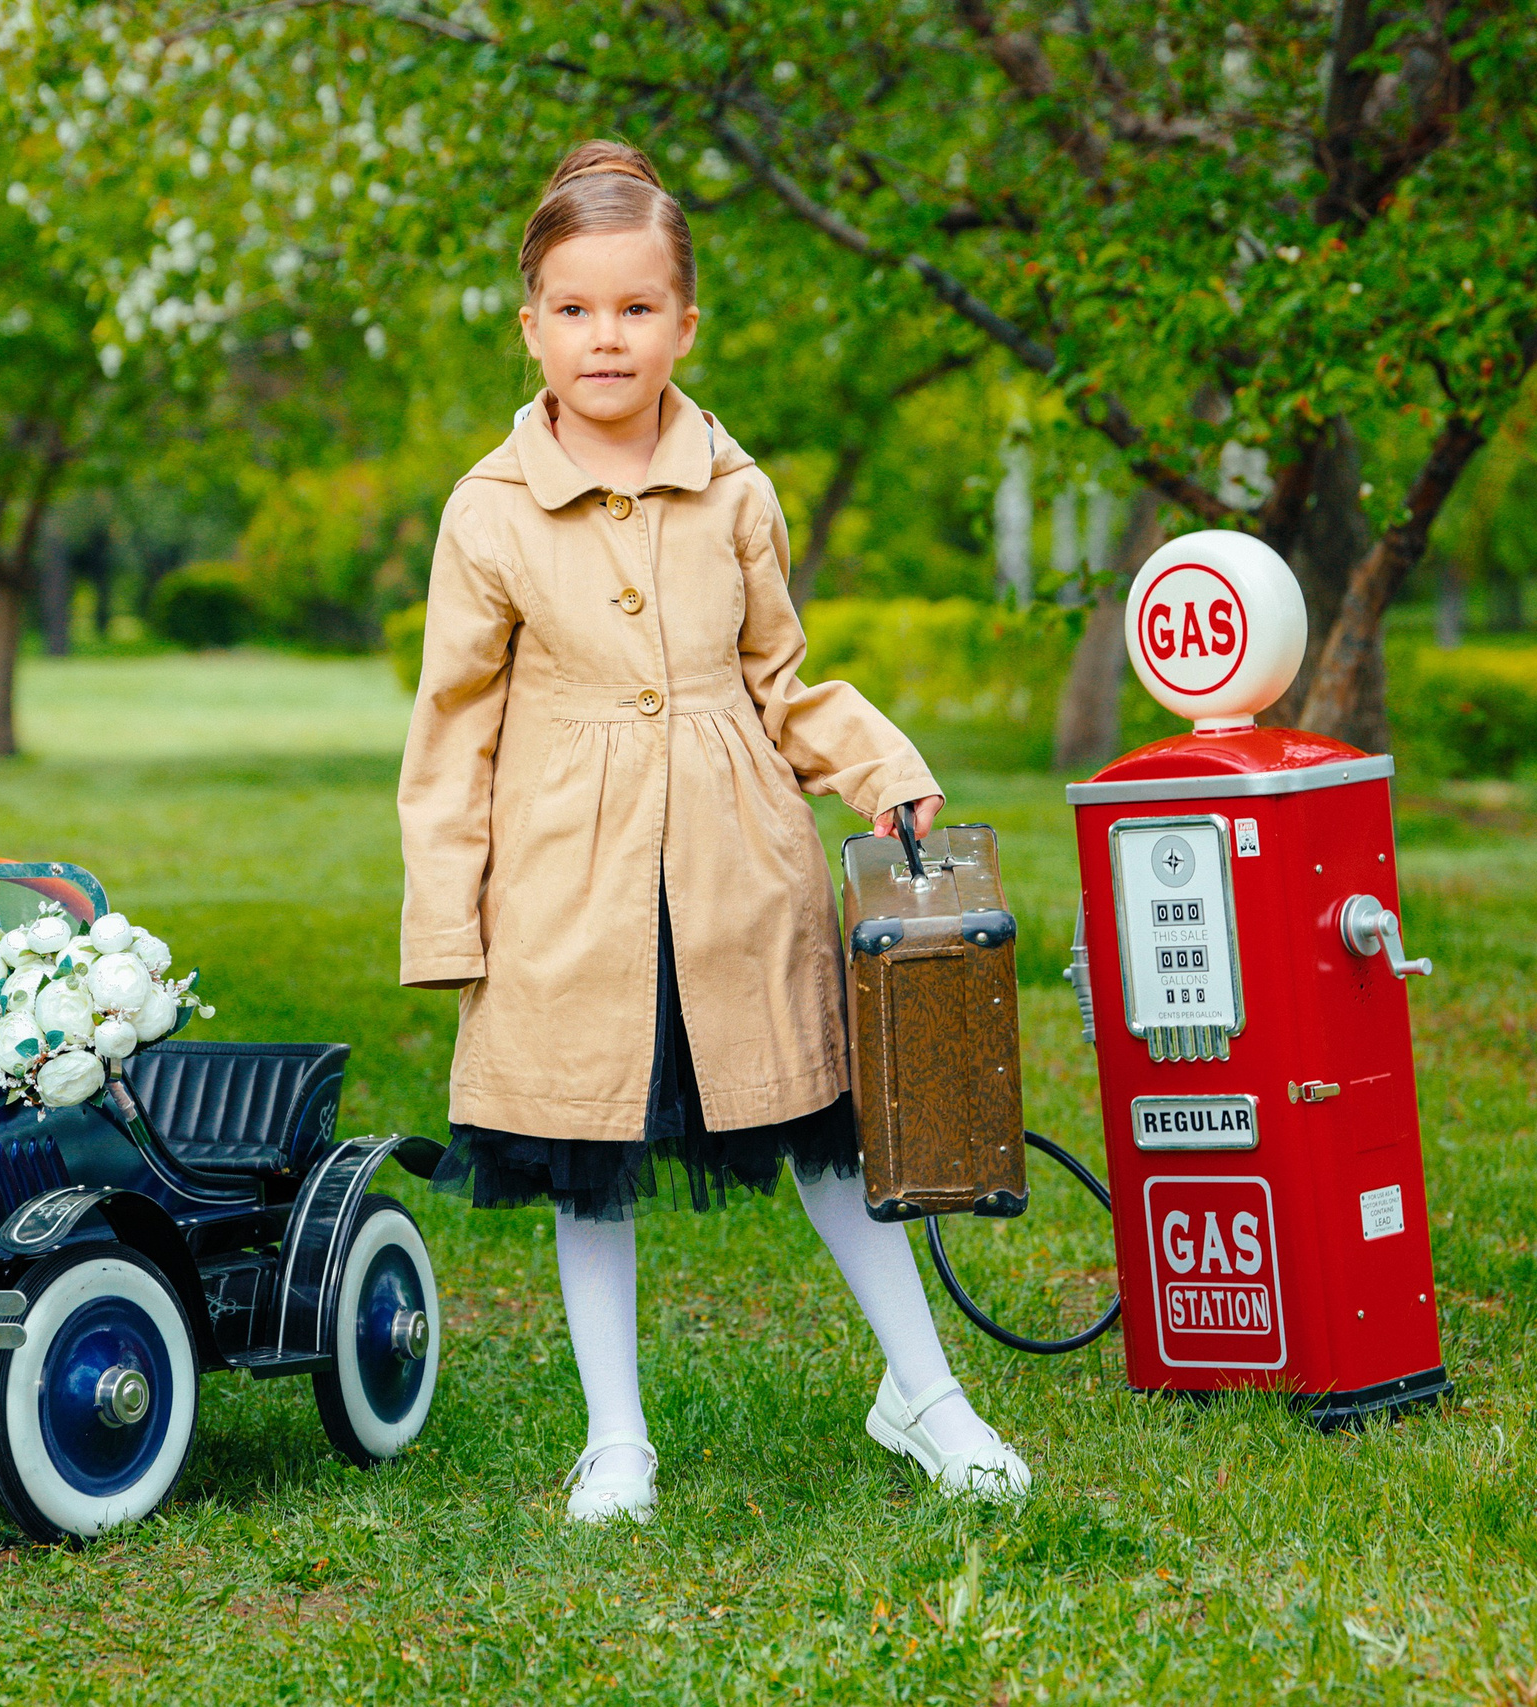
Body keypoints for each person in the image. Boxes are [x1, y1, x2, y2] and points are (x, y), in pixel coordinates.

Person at [396, 139, 1030, 1523]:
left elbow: (779, 679)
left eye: (636, 308)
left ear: (685, 323)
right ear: (530, 327)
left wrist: (877, 766)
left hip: (740, 874)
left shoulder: (734, 490)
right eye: (575, 309)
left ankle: (927, 1393)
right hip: (570, 889)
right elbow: (452, 730)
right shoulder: (488, 514)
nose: (605, 336)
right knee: (588, 1159)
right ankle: (616, 1438)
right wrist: (449, 917)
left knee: (821, 1129)